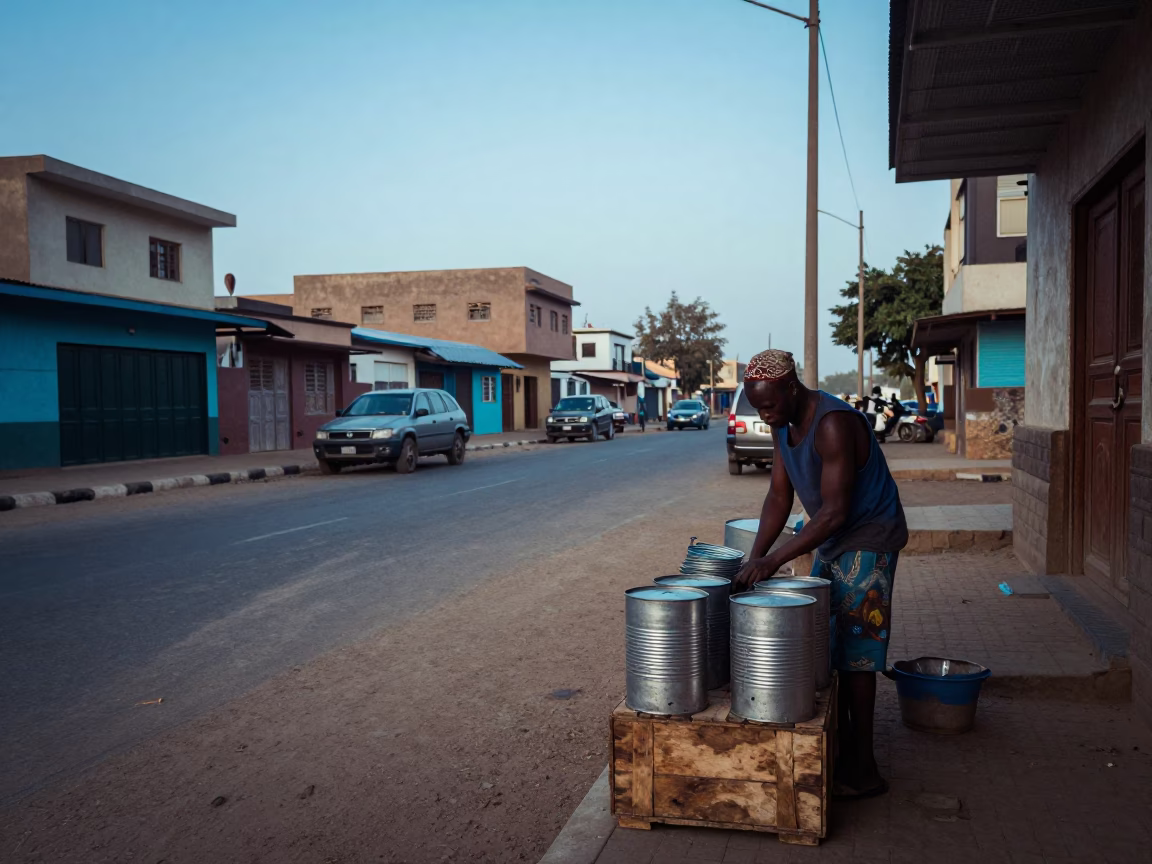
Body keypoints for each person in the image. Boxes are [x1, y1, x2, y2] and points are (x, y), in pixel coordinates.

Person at [731, 348, 907, 800]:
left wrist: (771, 563)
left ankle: (864, 769)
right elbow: (777, 498)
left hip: (868, 539)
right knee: (830, 649)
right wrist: (753, 560)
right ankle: (842, 750)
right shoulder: (782, 425)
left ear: (792, 387)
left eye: (769, 404)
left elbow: (834, 512)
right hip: (830, 540)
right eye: (757, 407)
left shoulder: (833, 424)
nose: (765, 414)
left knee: (857, 656)